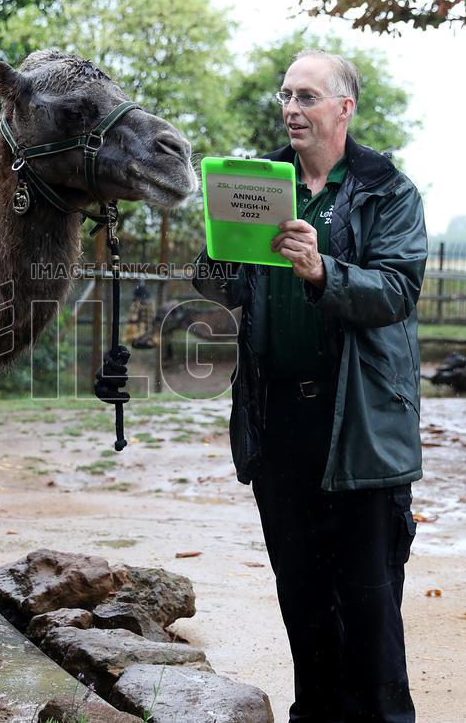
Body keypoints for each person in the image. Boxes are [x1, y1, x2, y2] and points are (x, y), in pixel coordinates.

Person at [190, 49, 428, 722]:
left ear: (344, 108)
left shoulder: (388, 191)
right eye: (286, 95)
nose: (291, 108)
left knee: (369, 602)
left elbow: (398, 289)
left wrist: (324, 271)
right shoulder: (261, 183)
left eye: (307, 97)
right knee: (301, 595)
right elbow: (221, 286)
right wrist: (218, 246)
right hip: (281, 424)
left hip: (361, 427)